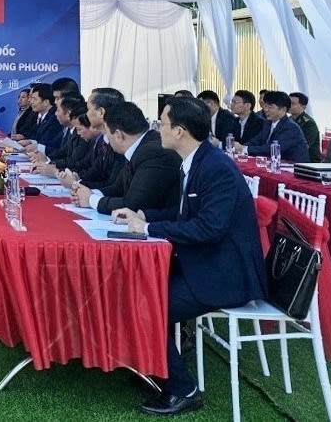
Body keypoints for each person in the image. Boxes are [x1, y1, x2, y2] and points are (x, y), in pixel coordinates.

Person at [112, 97, 266, 416]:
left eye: (163, 123)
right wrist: (143, 214)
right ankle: (157, 366)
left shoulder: (215, 167)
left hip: (223, 274)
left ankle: (183, 389)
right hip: (201, 263)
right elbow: (184, 212)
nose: (158, 129)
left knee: (147, 305)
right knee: (136, 288)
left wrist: (149, 228)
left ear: (179, 131)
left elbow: (209, 227)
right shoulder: (196, 160)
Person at [73, 101, 181, 215]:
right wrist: (89, 193)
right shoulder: (138, 146)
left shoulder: (153, 152)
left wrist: (91, 200)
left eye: (163, 124)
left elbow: (133, 204)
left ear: (119, 135)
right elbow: (118, 188)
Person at [59, 87, 126, 190]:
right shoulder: (103, 140)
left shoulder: (120, 141)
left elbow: (113, 185)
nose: (86, 114)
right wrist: (77, 178)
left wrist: (75, 183)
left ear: (101, 112)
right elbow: (95, 170)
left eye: (89, 109)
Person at [234, 91, 310, 162]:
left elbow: (272, 149)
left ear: (283, 109)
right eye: (265, 106)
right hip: (276, 164)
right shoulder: (268, 124)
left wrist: (244, 149)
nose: (266, 110)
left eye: (270, 107)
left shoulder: (291, 127)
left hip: (294, 167)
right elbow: (256, 141)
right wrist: (240, 147)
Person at [288, 92, 323, 163]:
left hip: (309, 161)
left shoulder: (309, 123)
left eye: (293, 103)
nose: (289, 105)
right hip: (292, 158)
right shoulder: (289, 120)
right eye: (288, 103)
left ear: (303, 107)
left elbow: (304, 146)